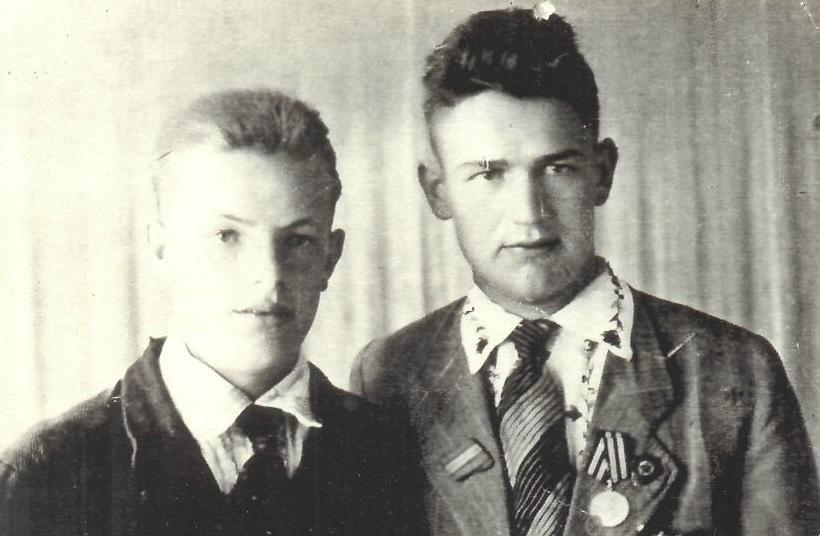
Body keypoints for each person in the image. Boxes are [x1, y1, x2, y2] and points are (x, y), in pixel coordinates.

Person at [350, 5, 820, 536]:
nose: (529, 214)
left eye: (558, 168)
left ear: (602, 173)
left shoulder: (733, 372)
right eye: (488, 174)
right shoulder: (389, 375)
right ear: (437, 191)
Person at [0, 89, 426, 536]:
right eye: (227, 235)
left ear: (330, 258)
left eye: (297, 240)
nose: (268, 275)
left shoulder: (394, 451)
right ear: (161, 247)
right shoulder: (44, 475)